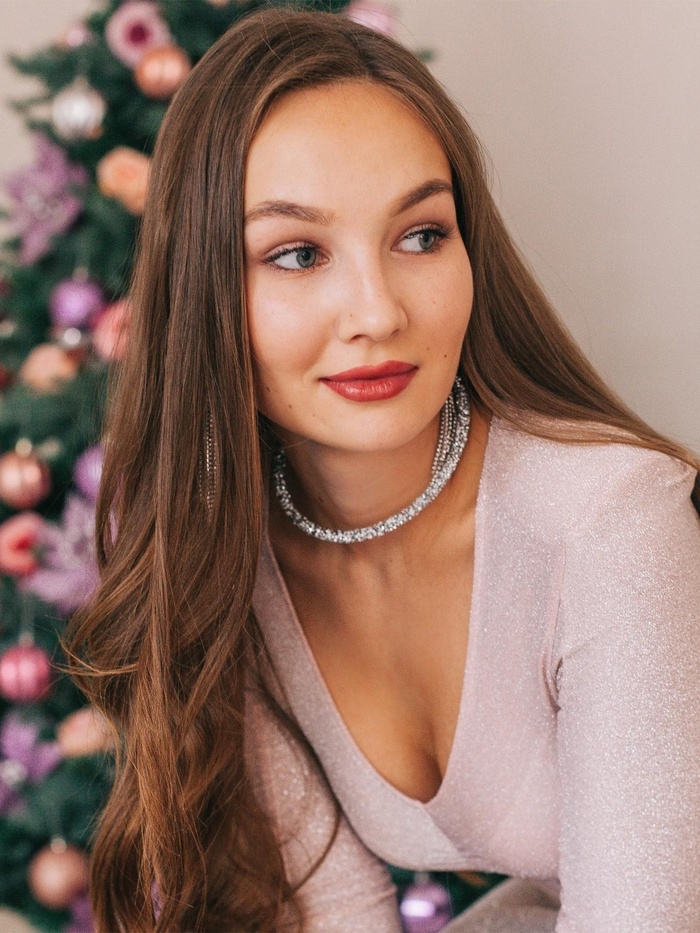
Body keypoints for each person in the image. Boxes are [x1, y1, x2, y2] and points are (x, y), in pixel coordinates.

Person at [66, 9, 700, 933]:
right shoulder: (231, 561)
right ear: (203, 289)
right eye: (297, 253)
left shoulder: (606, 518)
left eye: (421, 235)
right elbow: (336, 916)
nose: (377, 311)